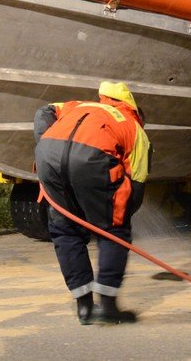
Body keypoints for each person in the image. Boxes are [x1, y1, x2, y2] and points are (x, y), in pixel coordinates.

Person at [34, 81, 152, 325]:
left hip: (48, 155)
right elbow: (137, 182)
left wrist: (43, 143)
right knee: (114, 230)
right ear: (137, 112)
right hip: (93, 158)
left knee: (65, 231)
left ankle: (84, 307)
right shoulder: (134, 127)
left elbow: (44, 112)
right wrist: (117, 221)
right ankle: (108, 306)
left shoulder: (78, 105)